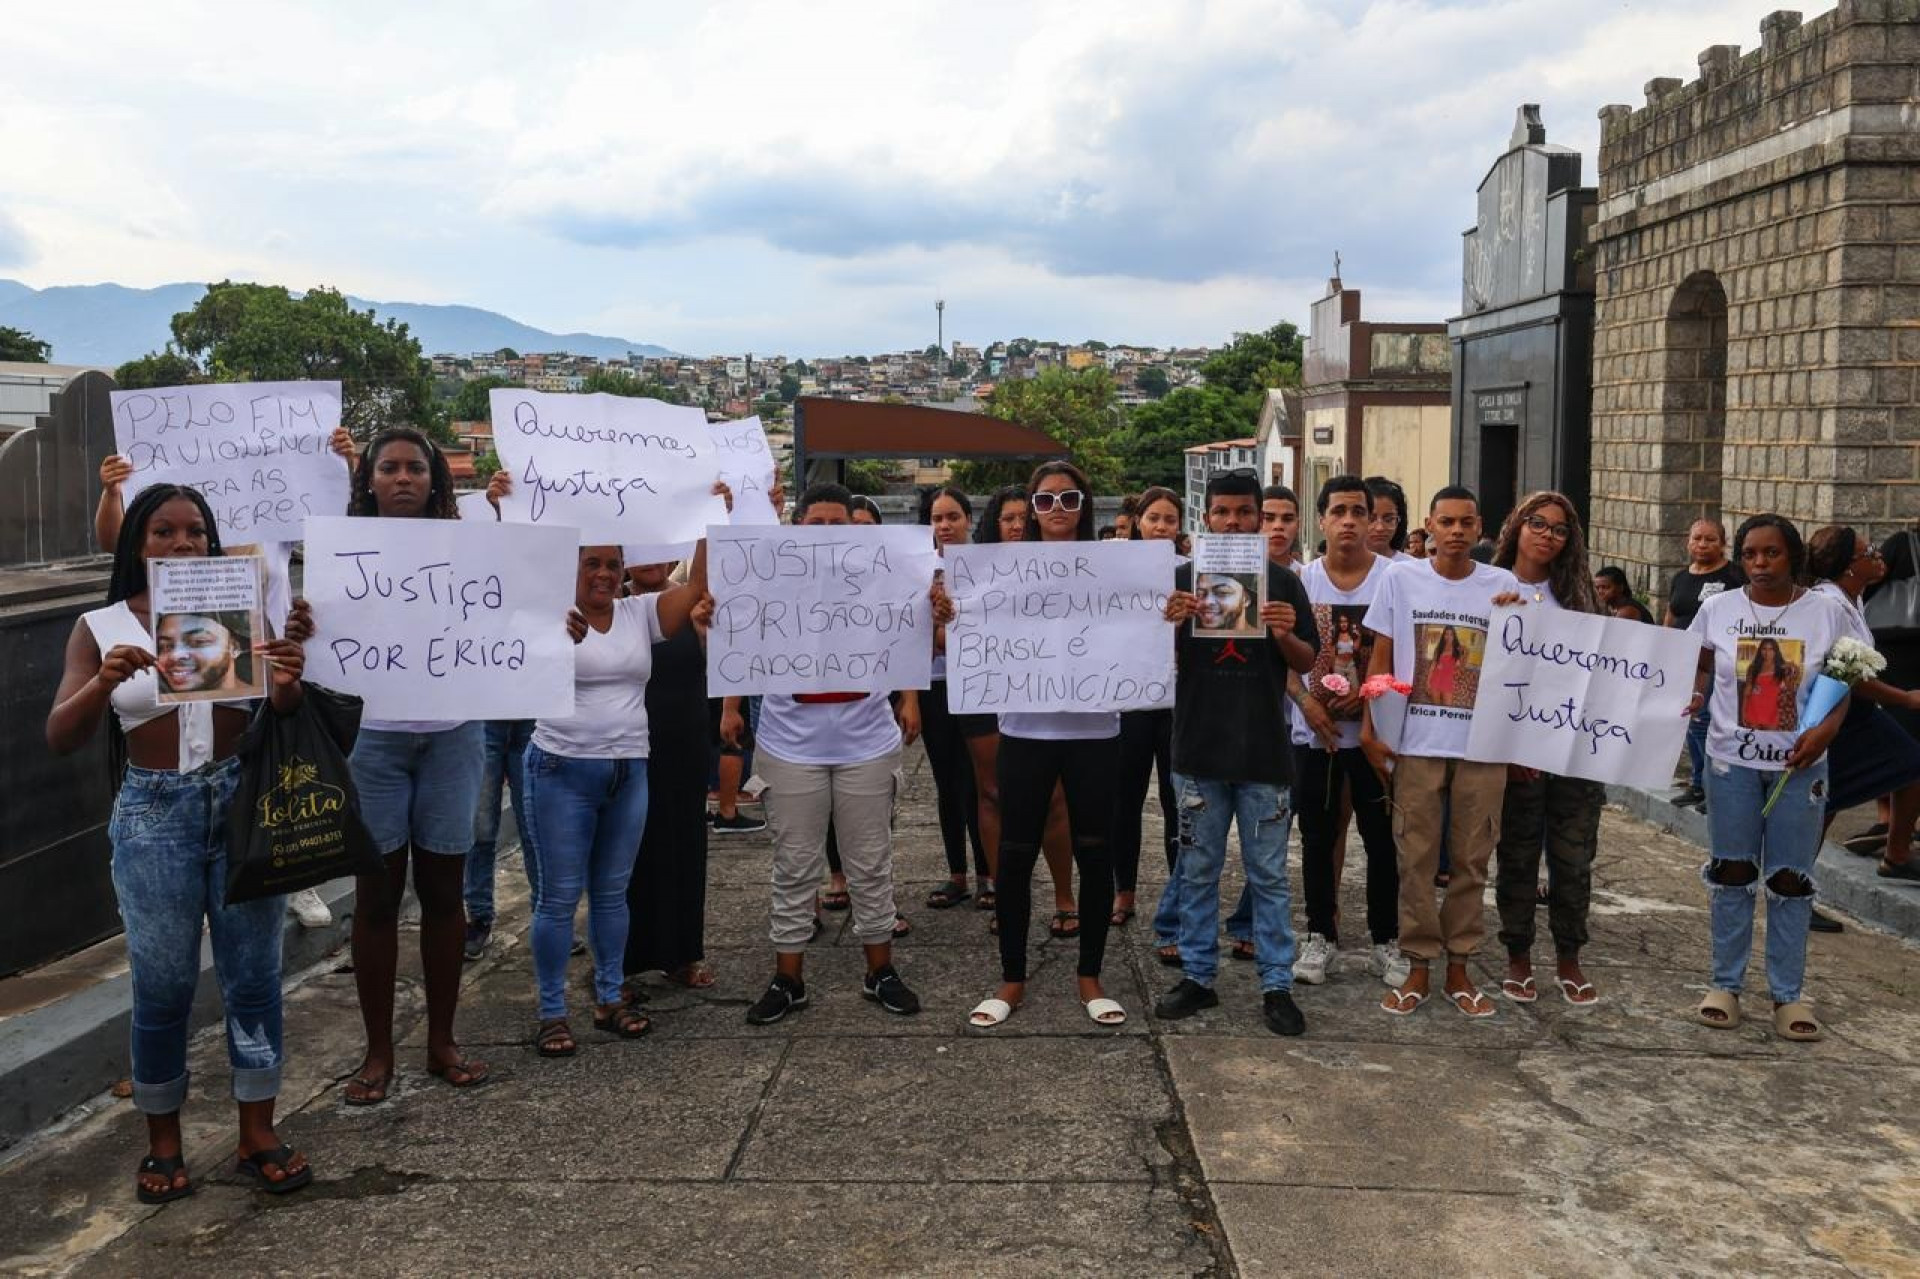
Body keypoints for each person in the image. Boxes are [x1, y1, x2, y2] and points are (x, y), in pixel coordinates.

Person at [49, 485, 314, 1200]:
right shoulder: (100, 625)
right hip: (153, 812)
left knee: (254, 977)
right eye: (163, 531)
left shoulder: (239, 609)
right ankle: (163, 1142)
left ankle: (257, 1129)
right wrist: (103, 683)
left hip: (240, 803)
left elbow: (278, 710)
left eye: (196, 532)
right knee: (163, 985)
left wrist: (286, 679)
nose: (182, 544)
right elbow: (60, 734)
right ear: (137, 542)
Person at [97, 436, 356, 932]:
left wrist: (343, 464)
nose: (183, 539)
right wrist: (112, 491)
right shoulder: (180, 535)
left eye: (193, 531)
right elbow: (117, 544)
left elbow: (337, 531)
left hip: (270, 655)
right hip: (209, 656)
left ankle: (294, 874)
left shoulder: (278, 517)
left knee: (278, 769)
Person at [336, 428, 491, 1104]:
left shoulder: (470, 548)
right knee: (376, 897)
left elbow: (506, 615)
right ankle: (377, 1050)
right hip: (374, 741)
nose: (403, 478)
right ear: (368, 478)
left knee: (443, 893)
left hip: (453, 735)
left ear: (436, 481)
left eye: (416, 468)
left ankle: (441, 1039)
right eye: (389, 467)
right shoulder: (342, 550)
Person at [734, 482, 925, 1024]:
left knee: (870, 864)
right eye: (814, 523)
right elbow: (730, 636)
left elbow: (918, 635)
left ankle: (880, 970)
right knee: (794, 867)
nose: (824, 534)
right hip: (790, 747)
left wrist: (935, 611)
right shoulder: (765, 582)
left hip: (867, 743)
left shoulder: (885, 580)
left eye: (836, 525)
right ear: (797, 528)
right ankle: (788, 977)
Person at [520, 531, 709, 1057]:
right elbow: (503, 651)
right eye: (591, 564)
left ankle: (608, 998)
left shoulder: (639, 613)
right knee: (558, 899)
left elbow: (698, 585)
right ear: (570, 567)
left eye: (612, 563)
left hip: (629, 769)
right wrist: (548, 633)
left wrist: (709, 517)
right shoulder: (545, 616)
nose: (602, 573)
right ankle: (552, 1013)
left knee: (611, 893)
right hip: (561, 769)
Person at [1154, 471, 1318, 1034]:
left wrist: (1283, 633)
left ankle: (1277, 985)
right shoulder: (1178, 582)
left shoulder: (1284, 584)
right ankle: (1199, 977)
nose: (1233, 522)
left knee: (1269, 875)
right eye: (1222, 512)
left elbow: (1306, 663)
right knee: (1197, 871)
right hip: (1197, 751)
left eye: (1244, 513)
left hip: (1265, 754)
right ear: (1206, 519)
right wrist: (1166, 624)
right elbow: (1140, 665)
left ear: (1259, 518)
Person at [969, 461, 1126, 1028]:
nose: (1056, 510)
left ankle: (1090, 974)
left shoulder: (1116, 568)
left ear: (1085, 505)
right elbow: (969, 629)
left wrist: (1165, 615)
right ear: (1029, 510)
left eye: (1068, 499)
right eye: (1044, 501)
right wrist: (949, 616)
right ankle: (1012, 976)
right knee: (1013, 853)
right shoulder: (999, 572)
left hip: (1095, 731)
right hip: (1025, 730)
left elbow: (1138, 628)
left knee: (1094, 850)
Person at [1687, 515, 1851, 1041]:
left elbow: (1844, 679)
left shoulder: (1826, 612)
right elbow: (1694, 665)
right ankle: (1725, 985)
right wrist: (1690, 695)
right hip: (1729, 764)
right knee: (1733, 871)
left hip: (1799, 769)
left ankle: (1788, 995)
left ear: (1792, 556)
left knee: (1789, 879)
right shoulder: (1718, 609)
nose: (1760, 564)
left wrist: (1824, 734)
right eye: (1751, 554)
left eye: (1772, 553)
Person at [1361, 484, 1520, 1018]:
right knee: (1416, 858)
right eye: (1446, 522)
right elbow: (1380, 652)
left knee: (1473, 860)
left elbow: (1527, 656)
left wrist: (1521, 612)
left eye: (1466, 523)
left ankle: (1461, 967)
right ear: (1428, 525)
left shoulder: (1505, 585)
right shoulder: (1399, 578)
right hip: (1416, 742)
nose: (1455, 532)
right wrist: (1369, 725)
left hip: (1482, 746)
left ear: (1480, 529)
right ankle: (1417, 966)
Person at [1287, 475, 1404, 988]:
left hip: (1376, 737)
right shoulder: (1300, 581)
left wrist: (1373, 692)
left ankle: (1386, 940)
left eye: (1361, 511)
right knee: (1317, 837)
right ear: (1322, 520)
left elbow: (1407, 650)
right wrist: (1306, 701)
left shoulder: (1397, 579)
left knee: (1381, 841)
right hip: (1318, 734)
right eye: (1339, 511)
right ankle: (1320, 936)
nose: (1351, 521)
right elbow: (1280, 655)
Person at [1490, 493, 1607, 1006]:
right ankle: (1517, 956)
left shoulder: (1580, 598)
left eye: (1559, 529)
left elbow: (1615, 673)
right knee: (1517, 855)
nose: (1546, 535)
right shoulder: (1490, 589)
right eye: (1537, 523)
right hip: (1515, 754)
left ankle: (1569, 958)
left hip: (1575, 754)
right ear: (1516, 526)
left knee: (1574, 859)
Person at [1807, 526, 1920, 881]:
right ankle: (1794, 883)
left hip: (1860, 716)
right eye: (1868, 552)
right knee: (1823, 803)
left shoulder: (1852, 597)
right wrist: (1906, 699)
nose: (1878, 555)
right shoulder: (1829, 604)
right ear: (1849, 566)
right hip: (1837, 717)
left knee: (1912, 765)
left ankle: (1897, 855)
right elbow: (1852, 678)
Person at [1115, 486, 1181, 936]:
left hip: (1178, 702)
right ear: (1138, 521)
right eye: (1153, 518)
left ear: (1180, 526)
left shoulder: (1190, 572)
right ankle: (1124, 891)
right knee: (1125, 800)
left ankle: (1179, 894)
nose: (1160, 526)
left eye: (1169, 519)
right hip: (1130, 698)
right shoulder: (1115, 570)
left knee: (1179, 803)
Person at [921, 486, 991, 909]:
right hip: (935, 685)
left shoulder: (989, 566)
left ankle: (988, 873)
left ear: (968, 519)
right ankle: (956, 874)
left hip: (980, 684)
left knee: (981, 784)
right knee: (946, 782)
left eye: (952, 517)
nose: (945, 526)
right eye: (936, 518)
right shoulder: (918, 569)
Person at [1662, 520, 1743, 809]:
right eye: (1697, 538)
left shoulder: (1733, 575)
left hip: (1713, 662)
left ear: (1723, 544)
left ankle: (1714, 788)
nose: (1703, 544)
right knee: (1688, 722)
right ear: (1688, 541)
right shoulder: (1682, 577)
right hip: (1683, 659)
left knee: (1703, 723)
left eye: (1710, 539)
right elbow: (1672, 614)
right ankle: (1698, 784)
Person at [152, 612, 252, 695]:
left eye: (199, 642)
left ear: (234, 648)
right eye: (165, 646)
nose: (175, 655)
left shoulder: (258, 703)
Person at [1363, 476, 1412, 561]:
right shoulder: (1340, 567)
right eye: (1371, 519)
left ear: (1398, 521)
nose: (1380, 528)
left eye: (1389, 520)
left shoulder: (1413, 568)